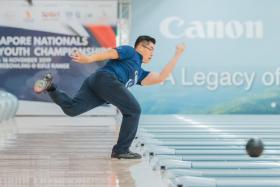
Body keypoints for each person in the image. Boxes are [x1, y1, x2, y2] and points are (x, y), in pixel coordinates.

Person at [33, 35, 186, 159]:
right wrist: (89, 59)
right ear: (140, 47)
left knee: (72, 109)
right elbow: (110, 53)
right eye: (151, 49)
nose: (152, 53)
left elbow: (160, 77)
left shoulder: (139, 73)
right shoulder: (130, 52)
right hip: (106, 79)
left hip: (98, 85)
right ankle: (121, 150)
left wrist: (177, 54)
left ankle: (50, 87)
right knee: (134, 110)